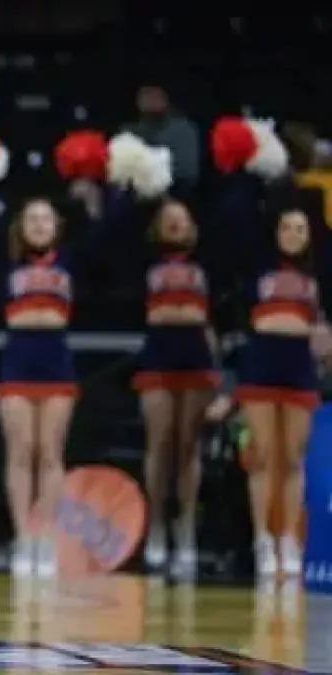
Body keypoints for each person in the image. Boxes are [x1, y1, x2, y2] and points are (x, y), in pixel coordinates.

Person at [131, 200, 218, 576]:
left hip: (195, 354)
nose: (175, 224)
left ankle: (186, 530)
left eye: (182, 219)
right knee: (160, 442)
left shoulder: (208, 263)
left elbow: (214, 317)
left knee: (189, 445)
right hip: (159, 353)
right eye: (168, 220)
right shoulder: (144, 261)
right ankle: (156, 526)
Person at [0, 199, 78, 578]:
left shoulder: (69, 263)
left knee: (49, 451)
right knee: (21, 450)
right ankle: (23, 537)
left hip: (56, 359)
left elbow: (108, 229)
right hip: (18, 358)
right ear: (20, 226)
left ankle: (45, 536)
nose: (40, 225)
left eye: (47, 218)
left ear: (58, 226)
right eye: (32, 218)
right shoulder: (7, 263)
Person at [236, 208, 321, 577]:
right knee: (263, 454)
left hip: (299, 366)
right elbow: (242, 314)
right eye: (286, 227)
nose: (293, 233)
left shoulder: (320, 275)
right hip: (262, 363)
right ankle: (262, 540)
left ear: (309, 235)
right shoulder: (258, 269)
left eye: (300, 228)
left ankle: (288, 538)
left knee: (292, 458)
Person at [125, 85, 200, 194]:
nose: (151, 99)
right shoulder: (129, 133)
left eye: (156, 95)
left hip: (177, 193)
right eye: (147, 95)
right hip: (136, 194)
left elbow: (187, 173)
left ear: (165, 99)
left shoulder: (183, 129)